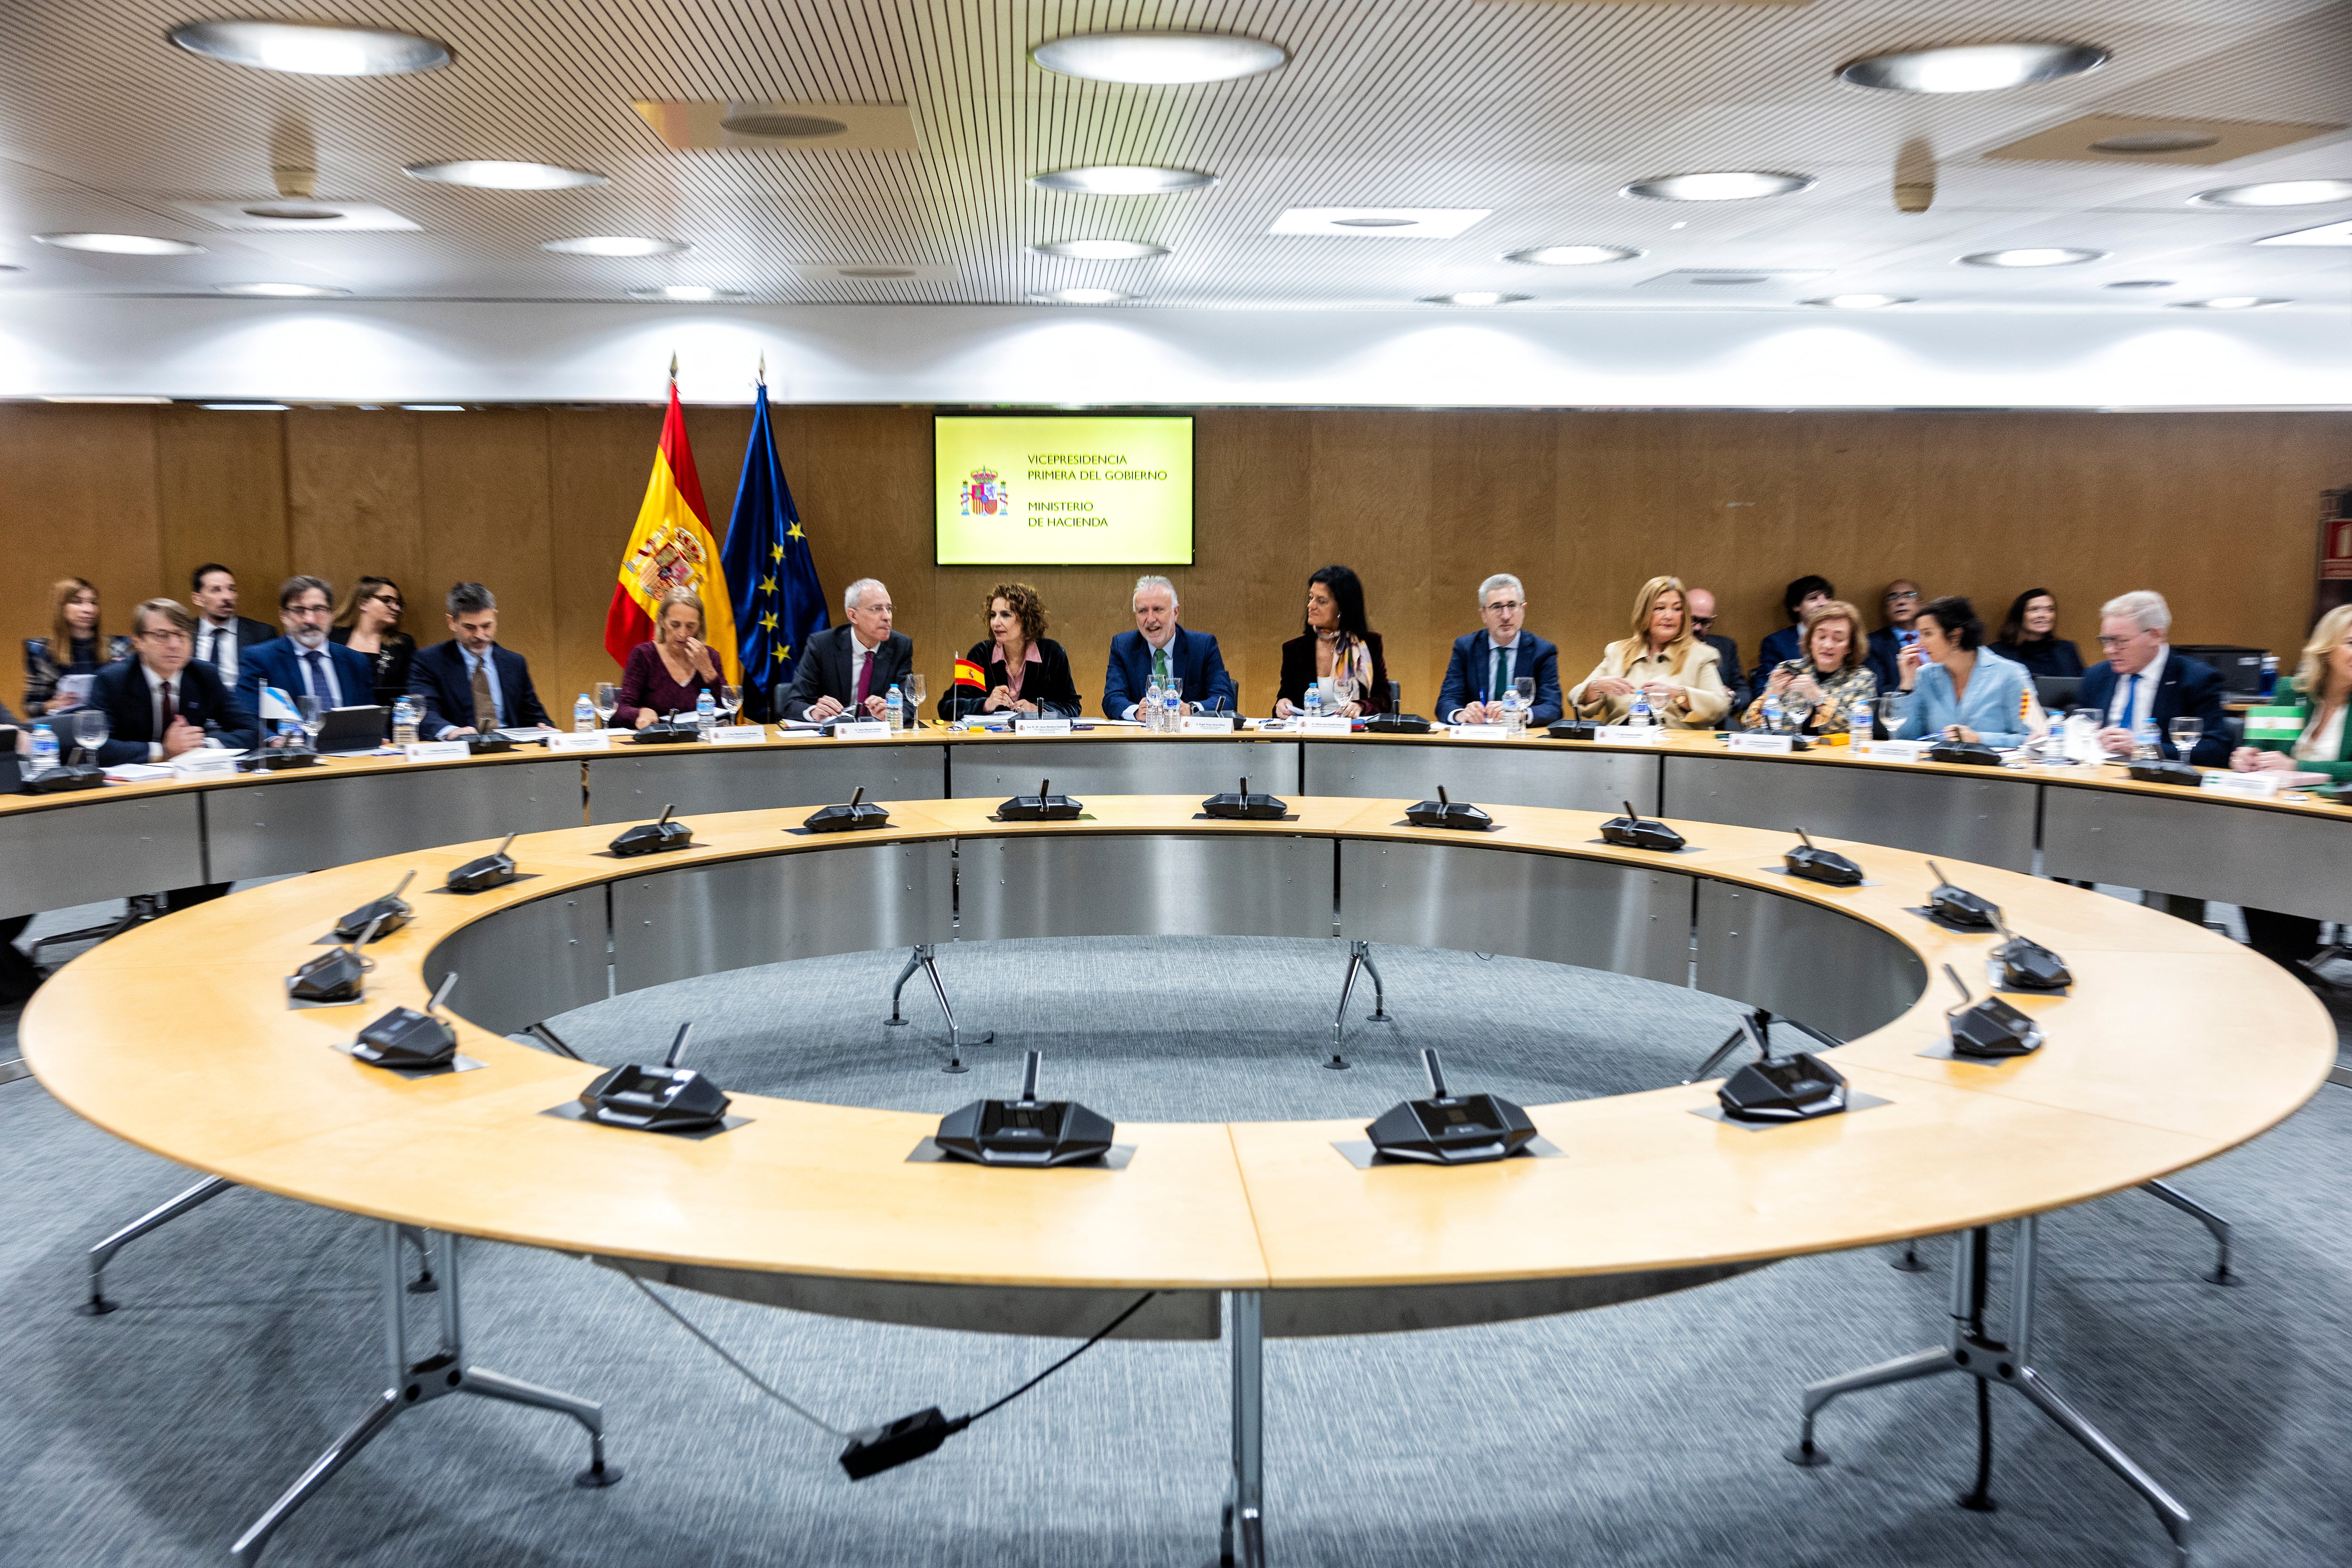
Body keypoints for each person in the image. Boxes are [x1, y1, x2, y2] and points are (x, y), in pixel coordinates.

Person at [86, 600, 253, 911]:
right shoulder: (112, 680)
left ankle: (187, 916)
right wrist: (163, 751)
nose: (175, 644)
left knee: (226, 846)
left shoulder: (203, 674)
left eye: (182, 634)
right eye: (162, 635)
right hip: (129, 802)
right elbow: (96, 747)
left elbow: (249, 729)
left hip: (193, 798)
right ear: (138, 641)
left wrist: (201, 745)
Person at [2230, 605, 2352, 975]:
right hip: (2278, 822)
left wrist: (2301, 767)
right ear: (2327, 649)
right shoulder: (2290, 691)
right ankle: (2278, 964)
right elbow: (2266, 749)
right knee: (2244, 863)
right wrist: (2247, 757)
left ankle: (2291, 963)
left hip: (2337, 829)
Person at [2077, 590, 2230, 766]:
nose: (2109, 650)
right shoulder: (2097, 676)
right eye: (2106, 640)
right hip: (2097, 776)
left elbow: (2217, 749)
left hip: (2159, 783)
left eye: (2120, 641)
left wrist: (2143, 748)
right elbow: (2080, 732)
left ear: (2155, 636)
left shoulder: (2196, 679)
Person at [1568, 575, 1730, 728]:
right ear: (1644, 612)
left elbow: (1719, 706)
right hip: (1622, 745)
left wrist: (1678, 695)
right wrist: (1597, 687)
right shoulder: (1618, 651)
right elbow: (1575, 697)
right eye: (1660, 608)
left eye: (1677, 609)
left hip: (1675, 748)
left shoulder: (1701, 655)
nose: (1669, 616)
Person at [1882, 595, 2034, 748]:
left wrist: (1978, 739)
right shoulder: (1925, 675)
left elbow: (2031, 739)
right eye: (1920, 634)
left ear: (1955, 636)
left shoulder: (2012, 675)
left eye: (1928, 634)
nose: (1920, 644)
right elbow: (1905, 739)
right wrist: (1908, 685)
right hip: (1935, 769)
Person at [238, 576, 377, 741]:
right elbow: (246, 718)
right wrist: (273, 740)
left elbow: (370, 716)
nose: (310, 620)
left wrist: (377, 735)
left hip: (350, 756)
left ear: (331, 614)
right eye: (299, 611)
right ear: (284, 615)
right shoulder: (260, 658)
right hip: (292, 758)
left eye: (319, 609)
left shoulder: (355, 661)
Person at [406, 582, 551, 739]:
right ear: (452, 623)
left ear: (495, 617)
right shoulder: (429, 661)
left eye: (486, 626)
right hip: (460, 751)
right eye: (470, 628)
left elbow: (534, 715)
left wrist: (542, 727)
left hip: (510, 749)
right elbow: (425, 712)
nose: (480, 635)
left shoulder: (514, 663)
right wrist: (451, 731)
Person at [939, 582, 1081, 720]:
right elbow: (948, 707)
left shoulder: (1053, 654)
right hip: (992, 741)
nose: (996, 622)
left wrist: (1037, 710)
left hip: (1038, 741)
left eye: (1005, 615)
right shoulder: (980, 654)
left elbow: (1073, 707)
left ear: (1027, 619)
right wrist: (986, 704)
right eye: (993, 615)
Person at [1436, 573, 1561, 725]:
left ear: (1523, 609)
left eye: (1512, 606)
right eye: (1497, 607)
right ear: (1483, 614)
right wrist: (1460, 714)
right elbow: (1446, 701)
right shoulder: (1466, 647)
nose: (1506, 616)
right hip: (1476, 739)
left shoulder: (1542, 651)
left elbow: (1553, 708)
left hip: (1520, 741)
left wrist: (1519, 713)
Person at [1104, 575, 1235, 718]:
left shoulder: (1203, 646)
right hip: (1141, 738)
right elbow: (1112, 699)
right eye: (1143, 611)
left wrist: (1191, 709)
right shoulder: (1123, 647)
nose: (1151, 619)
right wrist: (1136, 712)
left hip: (1190, 738)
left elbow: (1225, 699)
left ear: (1176, 612)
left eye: (1158, 609)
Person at [783, 577, 912, 723]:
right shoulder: (822, 645)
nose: (887, 617)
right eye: (876, 609)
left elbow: (909, 704)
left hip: (877, 739)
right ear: (853, 615)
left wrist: (894, 712)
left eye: (888, 609)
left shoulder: (900, 646)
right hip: (833, 739)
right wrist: (814, 712)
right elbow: (793, 703)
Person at [1741, 598, 1877, 734]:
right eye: (1822, 637)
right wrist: (1772, 694)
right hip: (1786, 752)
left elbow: (1857, 730)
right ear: (1810, 640)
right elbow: (1749, 725)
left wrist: (1818, 697)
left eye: (1838, 639)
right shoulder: (1788, 669)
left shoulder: (1863, 679)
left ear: (1851, 646)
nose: (1828, 645)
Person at [1275, 565, 1389, 718]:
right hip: (1309, 736)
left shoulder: (1369, 645)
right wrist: (1282, 704)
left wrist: (1361, 707)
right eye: (1311, 598)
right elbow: (1286, 696)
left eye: (1321, 601)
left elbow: (1385, 700)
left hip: (1354, 735)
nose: (1311, 606)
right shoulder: (1294, 649)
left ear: (1342, 608)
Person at [24, 577, 131, 716]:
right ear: (61, 608)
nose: (89, 609)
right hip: (64, 725)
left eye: (93, 602)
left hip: (109, 723)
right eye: (78, 602)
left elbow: (134, 699)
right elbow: (31, 707)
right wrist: (53, 705)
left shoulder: (119, 646)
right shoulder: (40, 651)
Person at [616, 589, 723, 728]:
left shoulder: (710, 657)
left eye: (690, 626)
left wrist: (708, 671)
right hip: (657, 743)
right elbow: (622, 711)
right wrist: (641, 713)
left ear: (700, 626)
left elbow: (728, 709)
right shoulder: (644, 655)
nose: (682, 633)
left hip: (700, 742)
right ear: (662, 621)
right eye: (675, 625)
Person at [329, 576, 417, 709]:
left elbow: (410, 691)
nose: (395, 608)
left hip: (386, 719)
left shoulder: (403, 644)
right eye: (387, 600)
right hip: (338, 715)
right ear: (364, 603)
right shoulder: (333, 637)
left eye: (399, 603)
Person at [187, 563, 277, 692]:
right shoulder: (184, 633)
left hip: (243, 708)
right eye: (216, 590)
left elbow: (272, 685)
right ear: (198, 599)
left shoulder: (262, 634)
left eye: (231, 589)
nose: (228, 597)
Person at [1991, 588, 2084, 679]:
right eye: (2034, 609)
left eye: (2050, 609)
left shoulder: (2068, 649)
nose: (2044, 615)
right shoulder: (1995, 653)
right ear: (2019, 615)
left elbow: (2081, 688)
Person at [1685, 587, 1746, 716]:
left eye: (1705, 622)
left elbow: (1743, 691)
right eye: (1693, 620)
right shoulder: (1662, 647)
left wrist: (1731, 697)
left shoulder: (1725, 646)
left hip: (1716, 719)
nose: (1697, 628)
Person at [1864, 580, 1925, 691]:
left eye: (1909, 595)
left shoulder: (1938, 637)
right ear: (1886, 609)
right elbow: (1879, 691)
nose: (1901, 601)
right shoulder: (1872, 644)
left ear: (1921, 604)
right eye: (1893, 597)